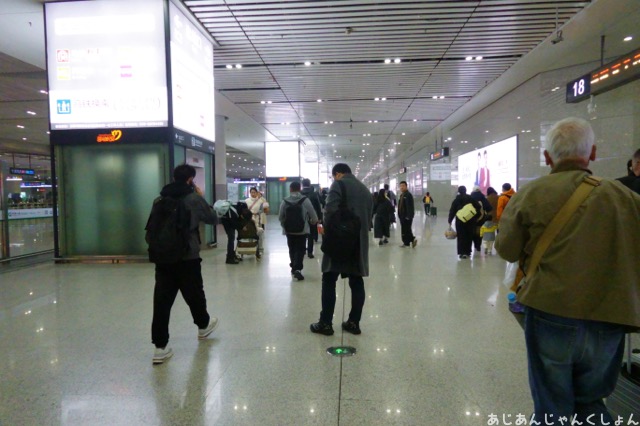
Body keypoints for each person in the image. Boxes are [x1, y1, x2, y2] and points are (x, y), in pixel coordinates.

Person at [495, 117, 640, 424]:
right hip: (611, 314)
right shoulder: (626, 198)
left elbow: (506, 249)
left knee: (552, 404)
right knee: (592, 402)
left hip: (551, 310)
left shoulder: (531, 194)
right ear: (593, 153)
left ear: (548, 157)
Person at [150, 164, 219, 365]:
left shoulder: (160, 199)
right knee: (194, 293)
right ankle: (203, 325)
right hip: (187, 256)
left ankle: (160, 347)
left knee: (162, 302)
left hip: (163, 257)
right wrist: (201, 196)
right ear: (190, 179)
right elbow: (213, 218)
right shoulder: (193, 198)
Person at [310, 163, 373, 336]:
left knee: (329, 278)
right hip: (358, 242)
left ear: (338, 174)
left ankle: (325, 323)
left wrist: (328, 231)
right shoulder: (365, 189)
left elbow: (329, 210)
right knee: (356, 281)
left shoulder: (338, 184)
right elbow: (369, 218)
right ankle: (354, 322)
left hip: (339, 240)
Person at [279, 181, 318, 281]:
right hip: (302, 230)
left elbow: (280, 217)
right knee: (300, 249)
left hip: (289, 231)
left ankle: (293, 266)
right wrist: (312, 222)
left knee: (291, 248)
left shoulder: (285, 201)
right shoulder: (305, 200)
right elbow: (314, 215)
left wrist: (285, 225)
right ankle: (297, 269)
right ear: (300, 189)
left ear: (290, 189)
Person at [447, 185, 482, 259]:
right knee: (469, 236)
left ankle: (462, 253)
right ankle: (468, 252)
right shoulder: (470, 198)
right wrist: (475, 216)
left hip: (460, 221)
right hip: (470, 220)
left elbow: (452, 211)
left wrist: (450, 220)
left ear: (459, 191)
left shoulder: (456, 200)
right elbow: (478, 206)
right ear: (466, 190)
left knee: (461, 236)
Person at [300, 178, 323, 258]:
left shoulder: (300, 194)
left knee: (302, 234)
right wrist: (319, 217)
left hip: (301, 217)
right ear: (309, 184)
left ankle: (303, 250)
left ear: (302, 184)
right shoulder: (314, 194)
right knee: (311, 234)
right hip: (312, 217)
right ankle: (310, 252)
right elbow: (318, 206)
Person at [244, 187, 268, 251]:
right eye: (252, 192)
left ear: (257, 193)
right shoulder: (246, 201)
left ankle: (260, 247)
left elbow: (266, 207)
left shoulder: (260, 200)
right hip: (249, 218)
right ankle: (251, 244)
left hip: (257, 218)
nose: (253, 194)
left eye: (254, 192)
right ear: (250, 193)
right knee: (250, 231)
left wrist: (261, 197)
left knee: (259, 232)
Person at [470, 185, 492, 252]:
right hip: (481, 218)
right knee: (479, 232)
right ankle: (478, 246)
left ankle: (474, 244)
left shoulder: (470, 197)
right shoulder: (482, 197)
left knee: (472, 231)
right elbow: (489, 208)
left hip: (471, 217)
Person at [397, 181, 417, 248]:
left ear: (406, 186)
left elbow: (410, 206)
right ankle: (411, 240)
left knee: (406, 229)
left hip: (406, 216)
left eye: (403, 186)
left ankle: (407, 243)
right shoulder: (402, 195)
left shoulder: (408, 195)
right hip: (402, 216)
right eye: (400, 186)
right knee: (406, 229)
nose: (401, 187)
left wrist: (409, 216)